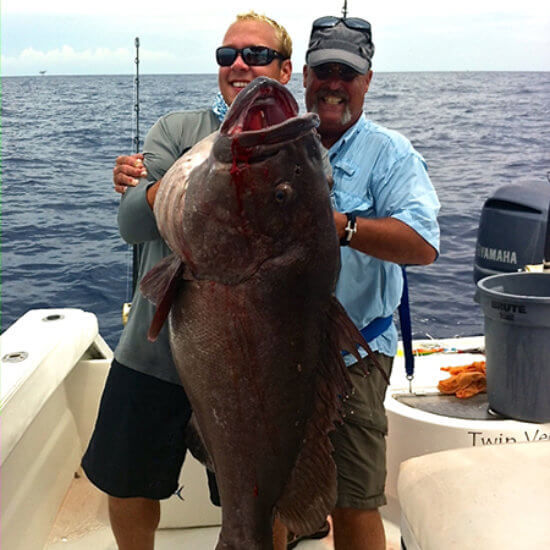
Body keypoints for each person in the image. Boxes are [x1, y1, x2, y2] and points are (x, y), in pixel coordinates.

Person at [83, 12, 292, 550]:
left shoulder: (299, 150)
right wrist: (161, 190)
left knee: (260, 494)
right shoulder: (176, 130)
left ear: (286, 69)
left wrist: (178, 183)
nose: (239, 65)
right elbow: (131, 224)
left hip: (247, 361)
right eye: (228, 55)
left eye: (256, 55)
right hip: (151, 352)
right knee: (127, 483)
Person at [293, 14, 441, 550]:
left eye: (347, 73)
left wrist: (345, 227)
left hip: (353, 352)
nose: (334, 84)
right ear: (303, 76)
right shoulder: (273, 143)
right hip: (274, 350)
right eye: (323, 70)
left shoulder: (390, 153)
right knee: (275, 483)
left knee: (353, 498)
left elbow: (423, 244)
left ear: (368, 81)